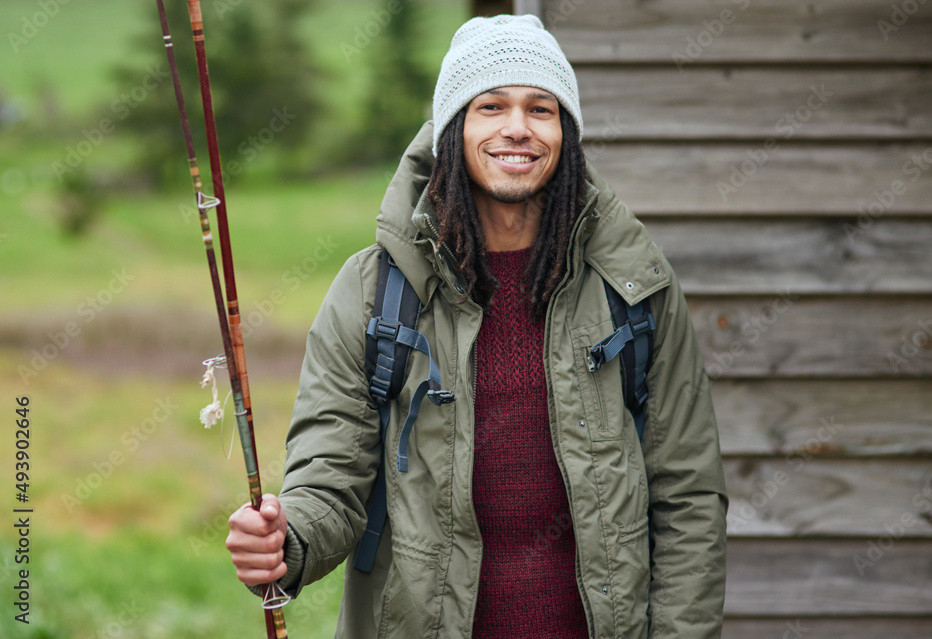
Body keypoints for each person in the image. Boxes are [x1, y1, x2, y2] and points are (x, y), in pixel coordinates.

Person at [226, 14, 727, 638]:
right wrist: (286, 536)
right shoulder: (375, 293)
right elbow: (330, 480)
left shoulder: (635, 287)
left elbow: (688, 498)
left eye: (541, 109)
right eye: (491, 105)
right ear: (453, 129)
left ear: (566, 135)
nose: (517, 128)